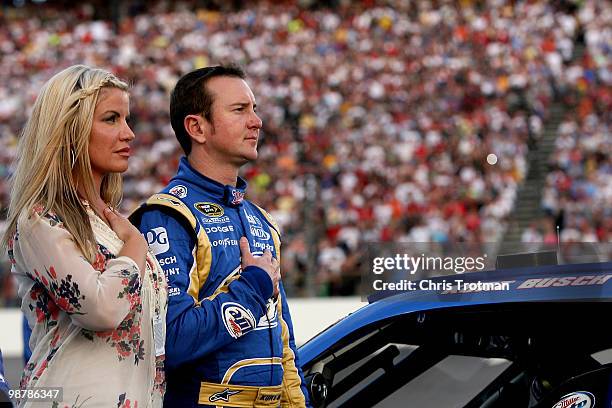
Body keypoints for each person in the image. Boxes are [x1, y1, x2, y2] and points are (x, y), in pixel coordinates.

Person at [131, 64, 311, 407]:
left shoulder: (260, 220)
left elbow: (285, 345)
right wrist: (253, 286)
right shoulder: (167, 217)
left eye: (254, 109)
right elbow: (171, 340)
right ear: (197, 127)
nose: (256, 121)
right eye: (240, 110)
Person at [1, 65, 167, 407]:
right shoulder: (39, 218)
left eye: (126, 119)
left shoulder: (111, 222)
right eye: (111, 119)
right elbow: (101, 309)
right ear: (70, 130)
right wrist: (136, 244)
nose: (129, 133)